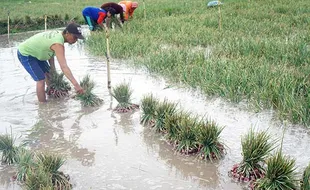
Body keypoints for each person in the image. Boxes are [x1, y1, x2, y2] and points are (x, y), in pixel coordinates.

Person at [17, 23, 85, 103]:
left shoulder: (59, 36)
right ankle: (43, 106)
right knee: (40, 80)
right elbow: (64, 67)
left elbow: (50, 54)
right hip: (26, 54)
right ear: (67, 33)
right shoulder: (58, 43)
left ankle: (52, 97)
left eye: (77, 38)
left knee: (49, 74)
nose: (76, 40)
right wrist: (77, 86)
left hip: (38, 53)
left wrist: (53, 72)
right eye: (75, 37)